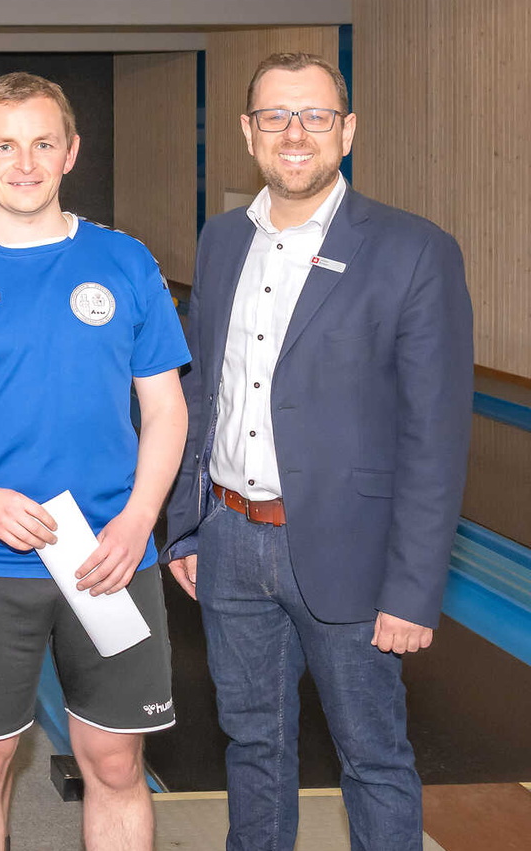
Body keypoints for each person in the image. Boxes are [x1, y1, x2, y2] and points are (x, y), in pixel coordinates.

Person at [164, 51, 472, 851]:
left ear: (348, 130)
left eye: (315, 116)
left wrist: (411, 591)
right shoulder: (224, 238)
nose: (294, 134)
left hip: (350, 549)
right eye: (274, 116)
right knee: (253, 746)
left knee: (372, 756)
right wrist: (187, 524)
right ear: (247, 130)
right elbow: (206, 395)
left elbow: (435, 437)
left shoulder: (413, 249)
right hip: (230, 538)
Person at [0, 73, 189, 851]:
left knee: (115, 762)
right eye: (5, 144)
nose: (25, 163)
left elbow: (165, 409)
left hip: (110, 557)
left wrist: (137, 521)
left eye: (43, 143)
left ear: (71, 152)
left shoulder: (125, 263)